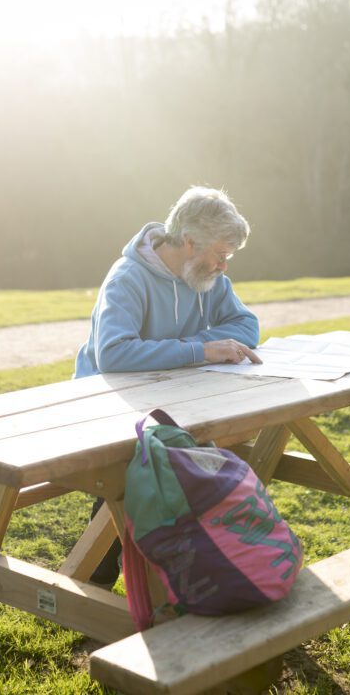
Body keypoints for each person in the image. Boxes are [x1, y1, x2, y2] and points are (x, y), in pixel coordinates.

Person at [74, 185, 262, 586]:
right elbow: (114, 354)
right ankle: (96, 581)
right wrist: (201, 349)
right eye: (220, 255)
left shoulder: (205, 276)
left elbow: (247, 325)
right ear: (190, 243)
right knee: (140, 470)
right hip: (107, 401)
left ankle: (184, 577)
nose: (223, 267)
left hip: (171, 398)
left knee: (206, 460)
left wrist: (205, 347)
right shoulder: (128, 277)